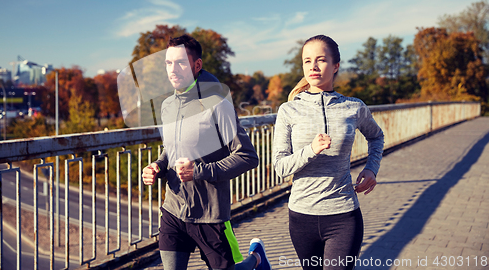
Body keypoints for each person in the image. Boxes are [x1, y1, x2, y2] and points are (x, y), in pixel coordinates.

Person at [142, 35, 271, 270]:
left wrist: (199, 171)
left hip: (210, 215)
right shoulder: (167, 106)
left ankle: (257, 259)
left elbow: (248, 156)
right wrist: (157, 167)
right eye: (168, 63)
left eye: (180, 62)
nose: (173, 69)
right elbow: (170, 150)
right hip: (173, 209)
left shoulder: (217, 102)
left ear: (197, 65)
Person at [273, 35, 384, 270]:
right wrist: (311, 150)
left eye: (320, 60)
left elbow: (376, 136)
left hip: (343, 215)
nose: (312, 67)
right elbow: (281, 168)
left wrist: (371, 168)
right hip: (301, 217)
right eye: (307, 61)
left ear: (335, 66)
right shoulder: (289, 110)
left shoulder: (354, 107)